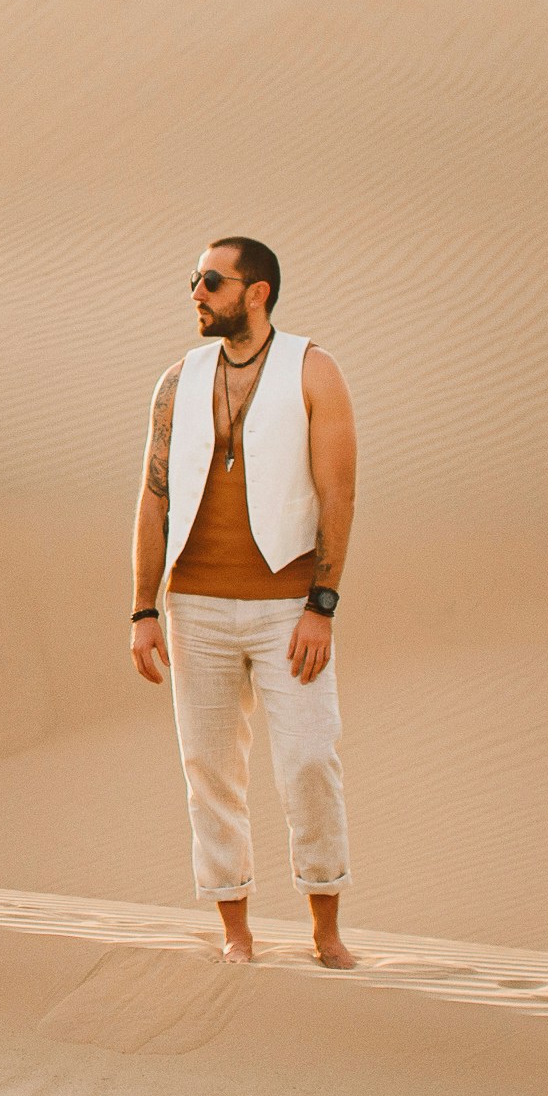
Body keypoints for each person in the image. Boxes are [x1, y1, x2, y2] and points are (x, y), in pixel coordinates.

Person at [127, 235, 360, 966]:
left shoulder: (313, 370)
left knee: (309, 761)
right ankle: (236, 931)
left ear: (255, 292)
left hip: (288, 608)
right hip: (195, 605)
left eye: (210, 281)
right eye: (194, 279)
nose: (196, 293)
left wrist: (322, 602)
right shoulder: (178, 380)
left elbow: (338, 492)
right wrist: (142, 608)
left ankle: (326, 928)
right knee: (210, 771)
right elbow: (155, 494)